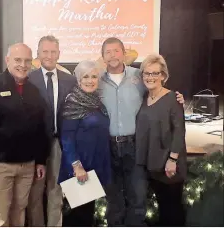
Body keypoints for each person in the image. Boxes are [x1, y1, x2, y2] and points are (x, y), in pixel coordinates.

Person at [99, 37, 185, 226]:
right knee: (113, 201)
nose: (112, 55)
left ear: (124, 53)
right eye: (108, 52)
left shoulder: (138, 77)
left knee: (137, 198)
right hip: (108, 147)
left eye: (116, 51)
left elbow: (158, 90)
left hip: (134, 146)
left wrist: (176, 97)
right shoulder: (96, 80)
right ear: (102, 56)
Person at [0, 43, 50, 227]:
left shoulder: (34, 91)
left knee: (19, 213)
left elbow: (39, 129)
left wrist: (40, 160)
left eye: (27, 60)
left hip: (27, 166)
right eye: (18, 60)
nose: (23, 64)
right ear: (7, 60)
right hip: (0, 167)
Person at [27, 35, 77, 227]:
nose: (49, 55)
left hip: (60, 143)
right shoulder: (28, 79)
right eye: (45, 51)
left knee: (56, 191)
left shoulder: (69, 80)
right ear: (38, 54)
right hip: (35, 144)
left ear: (59, 53)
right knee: (35, 194)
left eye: (53, 51)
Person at [58, 60, 112, 227]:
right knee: (80, 217)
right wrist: (76, 166)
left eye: (94, 76)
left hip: (95, 164)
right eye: (85, 77)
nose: (90, 80)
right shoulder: (73, 103)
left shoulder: (96, 102)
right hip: (80, 168)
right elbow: (66, 138)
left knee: (87, 213)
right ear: (79, 80)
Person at [136, 53, 187, 226]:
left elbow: (179, 131)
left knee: (172, 211)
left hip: (169, 165)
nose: (150, 77)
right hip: (152, 164)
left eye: (155, 73)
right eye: (147, 73)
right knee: (163, 210)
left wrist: (172, 159)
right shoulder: (145, 99)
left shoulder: (173, 98)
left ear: (163, 76)